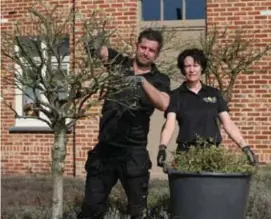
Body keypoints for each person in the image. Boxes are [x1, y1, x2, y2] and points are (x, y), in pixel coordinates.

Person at [78, 28, 170, 219]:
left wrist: (141, 82)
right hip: (106, 150)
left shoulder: (159, 79)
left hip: (133, 152)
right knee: (91, 210)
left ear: (157, 54)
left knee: (138, 211)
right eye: (143, 47)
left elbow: (163, 103)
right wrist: (95, 38)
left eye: (151, 50)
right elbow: (96, 49)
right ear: (136, 46)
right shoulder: (119, 63)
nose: (146, 52)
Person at [157, 48, 257, 168]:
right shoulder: (176, 96)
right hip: (186, 154)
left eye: (195, 65)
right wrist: (162, 147)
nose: (192, 70)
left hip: (212, 154)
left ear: (202, 68)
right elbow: (169, 124)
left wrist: (245, 147)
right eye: (188, 66)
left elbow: (228, 123)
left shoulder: (214, 93)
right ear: (183, 69)